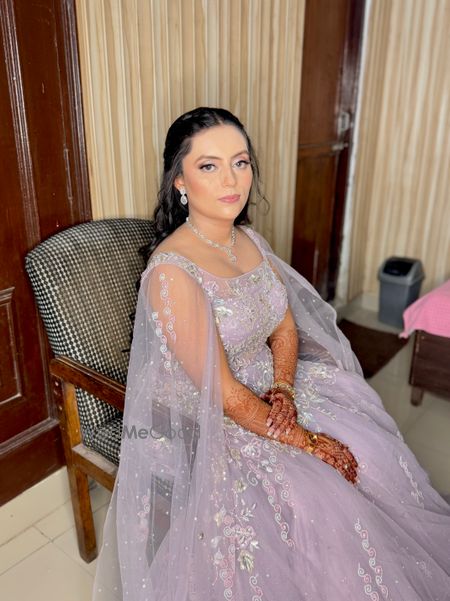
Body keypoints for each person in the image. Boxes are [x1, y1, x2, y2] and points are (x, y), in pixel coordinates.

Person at [93, 107, 450, 600]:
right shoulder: (172, 273)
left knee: (370, 449)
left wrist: (283, 388)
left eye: (240, 162)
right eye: (209, 166)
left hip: (267, 388)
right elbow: (227, 396)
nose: (231, 180)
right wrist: (309, 441)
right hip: (208, 417)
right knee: (318, 493)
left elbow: (283, 326)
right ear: (179, 181)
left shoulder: (249, 241)